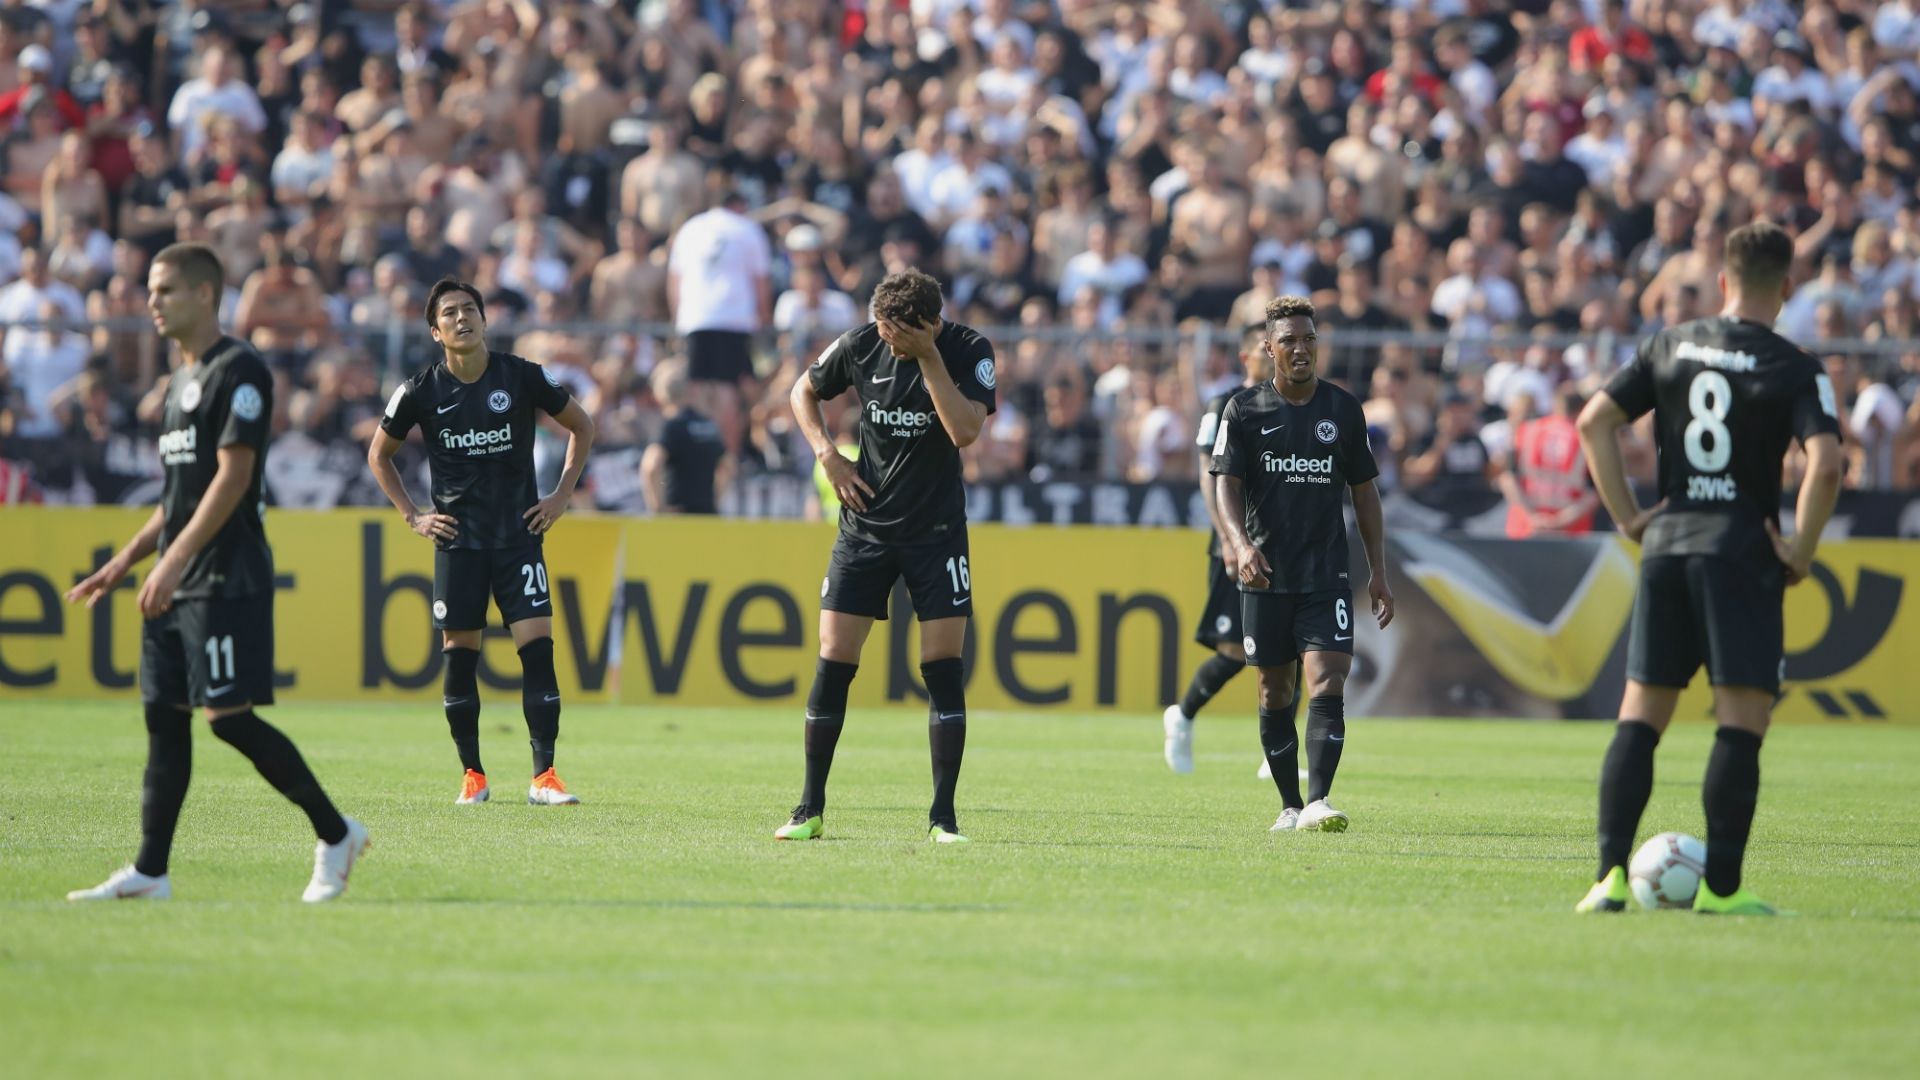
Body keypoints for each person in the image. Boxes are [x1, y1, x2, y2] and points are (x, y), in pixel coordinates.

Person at [64, 243, 368, 903]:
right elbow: (177, 499)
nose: (152, 302)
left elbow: (232, 479)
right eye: (150, 290)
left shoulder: (241, 371)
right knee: (164, 719)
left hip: (225, 574)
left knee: (227, 717)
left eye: (166, 289)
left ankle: (336, 831)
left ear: (205, 294)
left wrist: (172, 563)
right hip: (177, 575)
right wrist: (124, 561)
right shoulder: (175, 384)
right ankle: (150, 871)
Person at [1574, 221, 1845, 917]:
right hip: (1740, 552)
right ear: (1787, 288)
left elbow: (1593, 422)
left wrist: (1630, 517)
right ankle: (1721, 890)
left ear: (1723, 281)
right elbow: (1828, 461)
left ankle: (1606, 880)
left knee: (1640, 715)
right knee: (1741, 720)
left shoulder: (1669, 343)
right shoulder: (1794, 365)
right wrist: (1803, 550)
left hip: (1668, 544)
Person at [781, 268, 996, 843]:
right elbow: (801, 389)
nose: (884, 337)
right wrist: (827, 452)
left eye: (895, 329)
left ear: (926, 324)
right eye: (879, 325)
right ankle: (808, 809)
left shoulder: (968, 349)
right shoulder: (860, 343)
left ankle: (942, 818)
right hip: (866, 530)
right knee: (833, 659)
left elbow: (965, 432)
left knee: (942, 669)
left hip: (937, 533)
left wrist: (928, 358)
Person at [366, 278, 598, 807]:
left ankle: (545, 777)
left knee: (537, 651)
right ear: (435, 331)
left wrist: (562, 495)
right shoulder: (419, 390)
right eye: (450, 313)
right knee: (460, 657)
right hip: (458, 544)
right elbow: (380, 454)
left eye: (470, 309)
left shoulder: (521, 375)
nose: (462, 318)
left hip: (519, 538)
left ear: (485, 320)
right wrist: (412, 517)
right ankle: (473, 774)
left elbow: (581, 426)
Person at [1211, 296, 1394, 833]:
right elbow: (1227, 483)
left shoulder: (1342, 410)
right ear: (1268, 347)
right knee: (1274, 690)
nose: (1300, 349)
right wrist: (1241, 545)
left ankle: (1318, 800)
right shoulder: (1244, 410)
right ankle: (1289, 805)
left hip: (1326, 575)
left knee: (1328, 679)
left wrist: (1378, 571)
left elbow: (1365, 494)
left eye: (1309, 339)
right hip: (1266, 573)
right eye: (1289, 340)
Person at [1162, 323, 1274, 774]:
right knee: (1233, 652)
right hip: (1234, 544)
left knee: (1288, 646)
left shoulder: (1291, 405)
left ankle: (1277, 751)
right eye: (1267, 349)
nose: (1276, 356)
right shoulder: (1223, 404)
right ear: (1247, 357)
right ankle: (1183, 714)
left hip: (1277, 541)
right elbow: (1209, 473)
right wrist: (1231, 539)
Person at [641, 359, 730, 515]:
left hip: (678, 516)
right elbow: (728, 466)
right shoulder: (708, 424)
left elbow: (651, 466)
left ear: (660, 394)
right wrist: (713, 500)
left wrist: (658, 509)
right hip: (708, 515)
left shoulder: (672, 426)